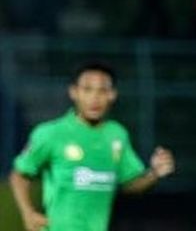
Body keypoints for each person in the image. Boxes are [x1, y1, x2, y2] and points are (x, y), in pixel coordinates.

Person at [9, 62, 176, 231]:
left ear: (112, 95)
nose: (95, 98)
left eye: (102, 91)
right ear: (74, 92)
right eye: (87, 90)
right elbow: (19, 175)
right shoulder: (51, 133)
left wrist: (154, 173)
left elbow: (129, 183)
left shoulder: (117, 135)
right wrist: (27, 212)